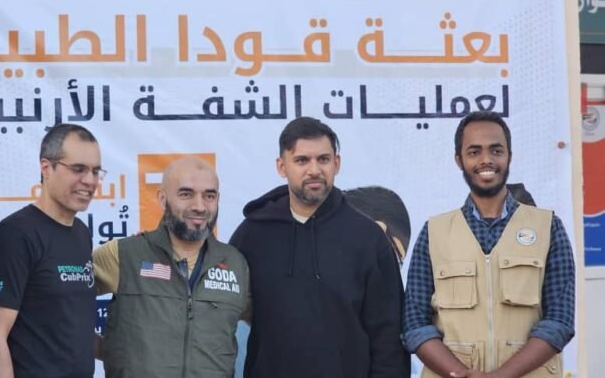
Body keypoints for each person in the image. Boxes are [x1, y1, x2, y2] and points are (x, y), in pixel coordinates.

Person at [229, 116, 409, 378]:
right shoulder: (253, 234)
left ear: (337, 163)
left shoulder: (368, 238)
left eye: (323, 159)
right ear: (282, 166)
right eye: (302, 160)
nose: (314, 170)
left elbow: (389, 336)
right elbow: (217, 310)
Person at [403, 111, 576, 378]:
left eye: (496, 150)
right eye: (474, 152)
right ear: (459, 160)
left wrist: (499, 376)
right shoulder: (434, 232)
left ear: (509, 156)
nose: (486, 159)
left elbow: (559, 322)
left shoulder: (548, 227)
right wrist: (460, 373)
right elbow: (415, 325)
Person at [93, 157, 250, 378]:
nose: (199, 206)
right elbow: (56, 303)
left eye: (209, 196)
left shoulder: (236, 263)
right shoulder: (124, 254)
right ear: (162, 198)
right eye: (186, 194)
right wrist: (110, 351)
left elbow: (272, 326)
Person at [0, 124, 101, 378]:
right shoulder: (13, 236)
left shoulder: (81, 233)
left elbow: (71, 327)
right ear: (46, 168)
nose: (90, 180)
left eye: (95, 171)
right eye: (78, 169)